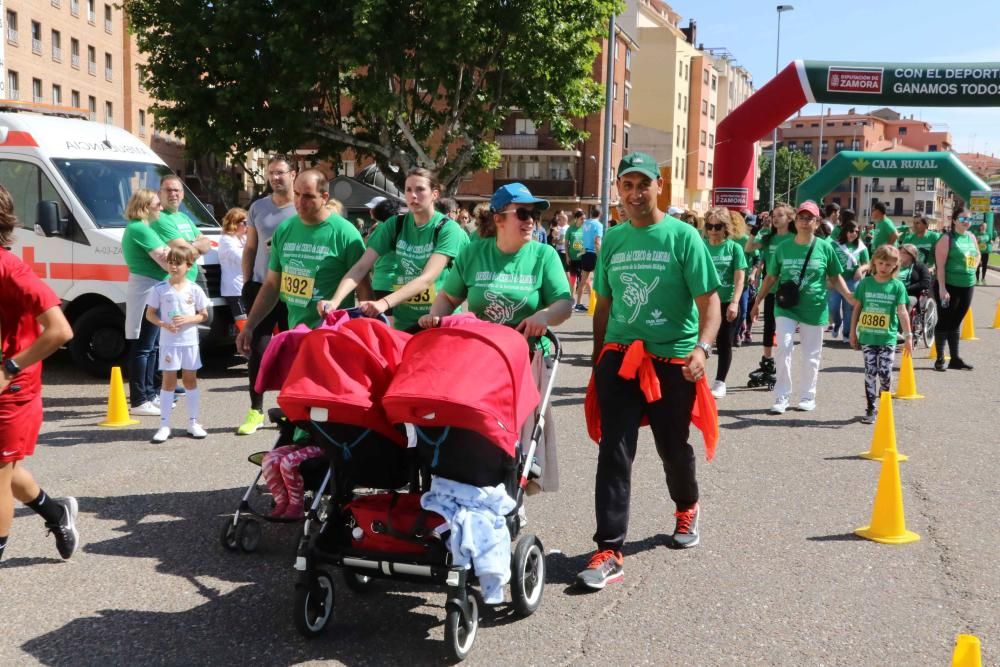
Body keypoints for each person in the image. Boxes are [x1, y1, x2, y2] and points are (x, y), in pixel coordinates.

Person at [577, 152, 721, 590]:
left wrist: (703, 347)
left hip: (672, 361)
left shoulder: (683, 237)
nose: (635, 194)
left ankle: (687, 505)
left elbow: (709, 301)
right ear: (618, 190)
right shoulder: (614, 240)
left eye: (643, 184)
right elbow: (604, 305)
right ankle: (609, 549)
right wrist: (600, 359)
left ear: (659, 185)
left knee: (672, 447)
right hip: (621, 360)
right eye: (627, 186)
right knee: (614, 452)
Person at [418, 182, 573, 493]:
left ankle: (513, 494)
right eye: (524, 213)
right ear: (500, 218)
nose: (531, 220)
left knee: (515, 434)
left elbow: (565, 303)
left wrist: (543, 316)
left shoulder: (543, 255)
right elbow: (448, 297)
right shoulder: (474, 252)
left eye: (536, 215)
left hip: (525, 361)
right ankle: (474, 491)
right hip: (477, 362)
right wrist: (438, 319)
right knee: (476, 432)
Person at [0, 184, 78, 562]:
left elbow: (61, 330)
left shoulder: (11, 270)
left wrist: (10, 367)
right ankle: (55, 511)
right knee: (8, 473)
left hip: (11, 393)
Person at [236, 169, 368, 356]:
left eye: (308, 196)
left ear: (324, 197)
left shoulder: (346, 233)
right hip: (296, 335)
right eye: (297, 194)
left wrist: (365, 336)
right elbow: (273, 284)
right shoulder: (285, 229)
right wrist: (249, 326)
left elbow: (364, 287)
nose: (299, 202)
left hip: (333, 339)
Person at [318, 168, 466, 332]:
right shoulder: (395, 224)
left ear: (435, 194)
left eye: (420, 189)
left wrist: (383, 303)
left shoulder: (448, 229)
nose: (413, 195)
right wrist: (334, 301)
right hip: (404, 324)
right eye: (408, 190)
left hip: (438, 321)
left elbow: (427, 278)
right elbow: (361, 267)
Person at [752, 200, 856, 414]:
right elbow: (771, 277)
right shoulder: (783, 247)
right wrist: (757, 302)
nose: (804, 221)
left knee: (811, 354)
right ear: (795, 221)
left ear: (817, 222)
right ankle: (781, 396)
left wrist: (848, 296)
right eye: (801, 217)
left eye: (809, 218)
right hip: (786, 306)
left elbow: (835, 277)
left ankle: (808, 396)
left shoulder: (825, 248)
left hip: (814, 307)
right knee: (784, 346)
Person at [236, 156, 297, 435]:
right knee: (258, 349)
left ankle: (294, 409)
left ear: (293, 174)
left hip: (295, 288)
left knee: (295, 351)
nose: (275, 178)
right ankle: (255, 410)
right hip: (262, 286)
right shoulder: (258, 207)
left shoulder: (302, 207)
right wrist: (247, 280)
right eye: (271, 173)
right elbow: (250, 247)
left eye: (281, 173)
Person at [145, 247, 211, 443]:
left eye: (178, 263)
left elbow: (204, 315)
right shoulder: (160, 288)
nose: (173, 267)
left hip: (190, 342)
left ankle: (193, 422)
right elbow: (150, 314)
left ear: (188, 266)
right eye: (170, 262)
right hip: (169, 342)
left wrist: (189, 319)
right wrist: (163, 324)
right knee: (169, 382)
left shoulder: (195, 289)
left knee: (190, 380)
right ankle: (164, 425)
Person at [849, 245, 912, 424]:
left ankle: (885, 402)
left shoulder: (897, 286)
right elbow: (857, 309)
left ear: (895, 266)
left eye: (889, 264)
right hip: (868, 337)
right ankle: (870, 407)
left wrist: (908, 336)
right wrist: (853, 332)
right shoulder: (866, 284)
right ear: (874, 263)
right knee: (870, 371)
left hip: (887, 338)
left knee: (884, 372)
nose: (884, 267)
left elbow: (902, 312)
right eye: (881, 263)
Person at [121, 188, 170, 416]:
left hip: (153, 289)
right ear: (145, 207)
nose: (161, 207)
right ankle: (140, 399)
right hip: (146, 291)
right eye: (157, 204)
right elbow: (167, 260)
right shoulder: (140, 228)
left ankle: (149, 394)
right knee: (144, 347)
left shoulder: (142, 228)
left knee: (152, 347)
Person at [746, 204, 795, 387]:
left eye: (780, 215)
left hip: (789, 291)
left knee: (784, 331)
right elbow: (749, 247)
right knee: (769, 326)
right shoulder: (769, 238)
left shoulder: (795, 238)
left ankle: (784, 363)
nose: (775, 218)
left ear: (790, 219)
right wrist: (755, 229)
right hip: (770, 289)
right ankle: (767, 361)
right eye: (774, 215)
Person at [702, 207, 747, 399]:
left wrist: (735, 303)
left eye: (717, 226)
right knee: (701, 343)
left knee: (723, 343)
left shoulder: (734, 248)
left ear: (726, 227)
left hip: (726, 301)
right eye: (709, 226)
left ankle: (720, 382)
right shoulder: (700, 246)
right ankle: (698, 380)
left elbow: (739, 279)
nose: (713, 230)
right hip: (703, 303)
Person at [932, 207, 979, 372]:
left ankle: (955, 358)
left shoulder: (971, 237)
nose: (966, 222)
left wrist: (973, 267)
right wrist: (942, 289)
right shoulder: (947, 238)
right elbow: (940, 267)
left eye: (969, 219)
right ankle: (939, 358)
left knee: (957, 320)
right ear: (954, 220)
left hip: (968, 285)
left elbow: (977, 254)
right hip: (949, 285)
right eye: (963, 219)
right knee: (945, 320)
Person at [151, 175, 213, 285]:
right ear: (160, 194)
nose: (173, 194)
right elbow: (187, 253)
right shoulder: (160, 218)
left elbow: (207, 244)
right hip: (174, 284)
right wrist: (197, 247)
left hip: (189, 280)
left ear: (183, 194)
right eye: (169, 190)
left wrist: (191, 246)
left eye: (177, 190)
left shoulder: (184, 217)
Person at [828, 215, 869, 344]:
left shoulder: (861, 247)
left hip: (853, 281)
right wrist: (827, 278)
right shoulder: (835, 245)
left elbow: (868, 263)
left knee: (849, 308)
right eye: (851, 231)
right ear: (845, 231)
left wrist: (861, 269)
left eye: (857, 231)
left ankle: (846, 334)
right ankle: (837, 323)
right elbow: (828, 263)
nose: (854, 234)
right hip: (836, 280)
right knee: (833, 306)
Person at [217, 207, 249, 332]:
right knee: (242, 318)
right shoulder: (226, 240)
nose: (248, 226)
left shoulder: (242, 238)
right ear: (234, 223)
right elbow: (243, 258)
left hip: (245, 285)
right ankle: (247, 346)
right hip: (235, 288)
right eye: (245, 223)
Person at [368, 197, 401, 315]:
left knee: (384, 324)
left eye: (373, 208)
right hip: (395, 282)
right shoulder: (400, 226)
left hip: (382, 282)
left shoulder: (381, 228)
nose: (370, 211)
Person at [573, 206, 604, 311]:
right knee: (599, 280)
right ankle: (597, 304)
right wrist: (600, 256)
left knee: (583, 280)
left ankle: (578, 304)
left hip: (585, 253)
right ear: (600, 214)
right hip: (594, 254)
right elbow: (597, 242)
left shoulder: (585, 223)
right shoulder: (598, 225)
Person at [565, 210, 585, 298]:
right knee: (573, 280)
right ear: (576, 219)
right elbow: (566, 244)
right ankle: (572, 300)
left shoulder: (585, 229)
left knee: (582, 282)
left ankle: (579, 302)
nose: (583, 220)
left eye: (584, 219)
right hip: (573, 259)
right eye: (581, 219)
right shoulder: (570, 229)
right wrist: (567, 256)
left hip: (582, 259)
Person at [974, 221, 994, 285]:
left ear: (986, 227)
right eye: (982, 226)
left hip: (985, 252)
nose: (983, 227)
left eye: (985, 226)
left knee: (984, 266)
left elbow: (990, 241)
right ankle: (977, 280)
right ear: (980, 227)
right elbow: (974, 242)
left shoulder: (988, 234)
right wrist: (977, 241)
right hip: (978, 252)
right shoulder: (976, 234)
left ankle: (983, 279)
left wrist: (991, 242)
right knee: (977, 266)